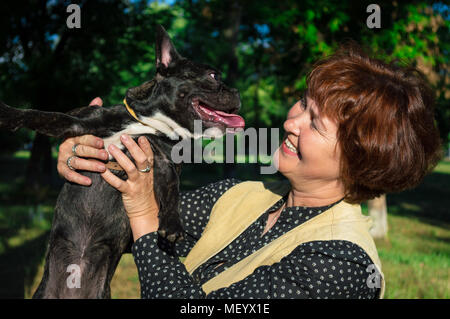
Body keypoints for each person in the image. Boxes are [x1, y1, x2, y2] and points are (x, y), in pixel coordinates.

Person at [56, 43, 442, 299]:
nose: (292, 122)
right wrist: (91, 162)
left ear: (359, 162)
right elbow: (124, 234)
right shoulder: (239, 196)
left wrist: (141, 212)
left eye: (316, 124)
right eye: (303, 103)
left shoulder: (341, 266)